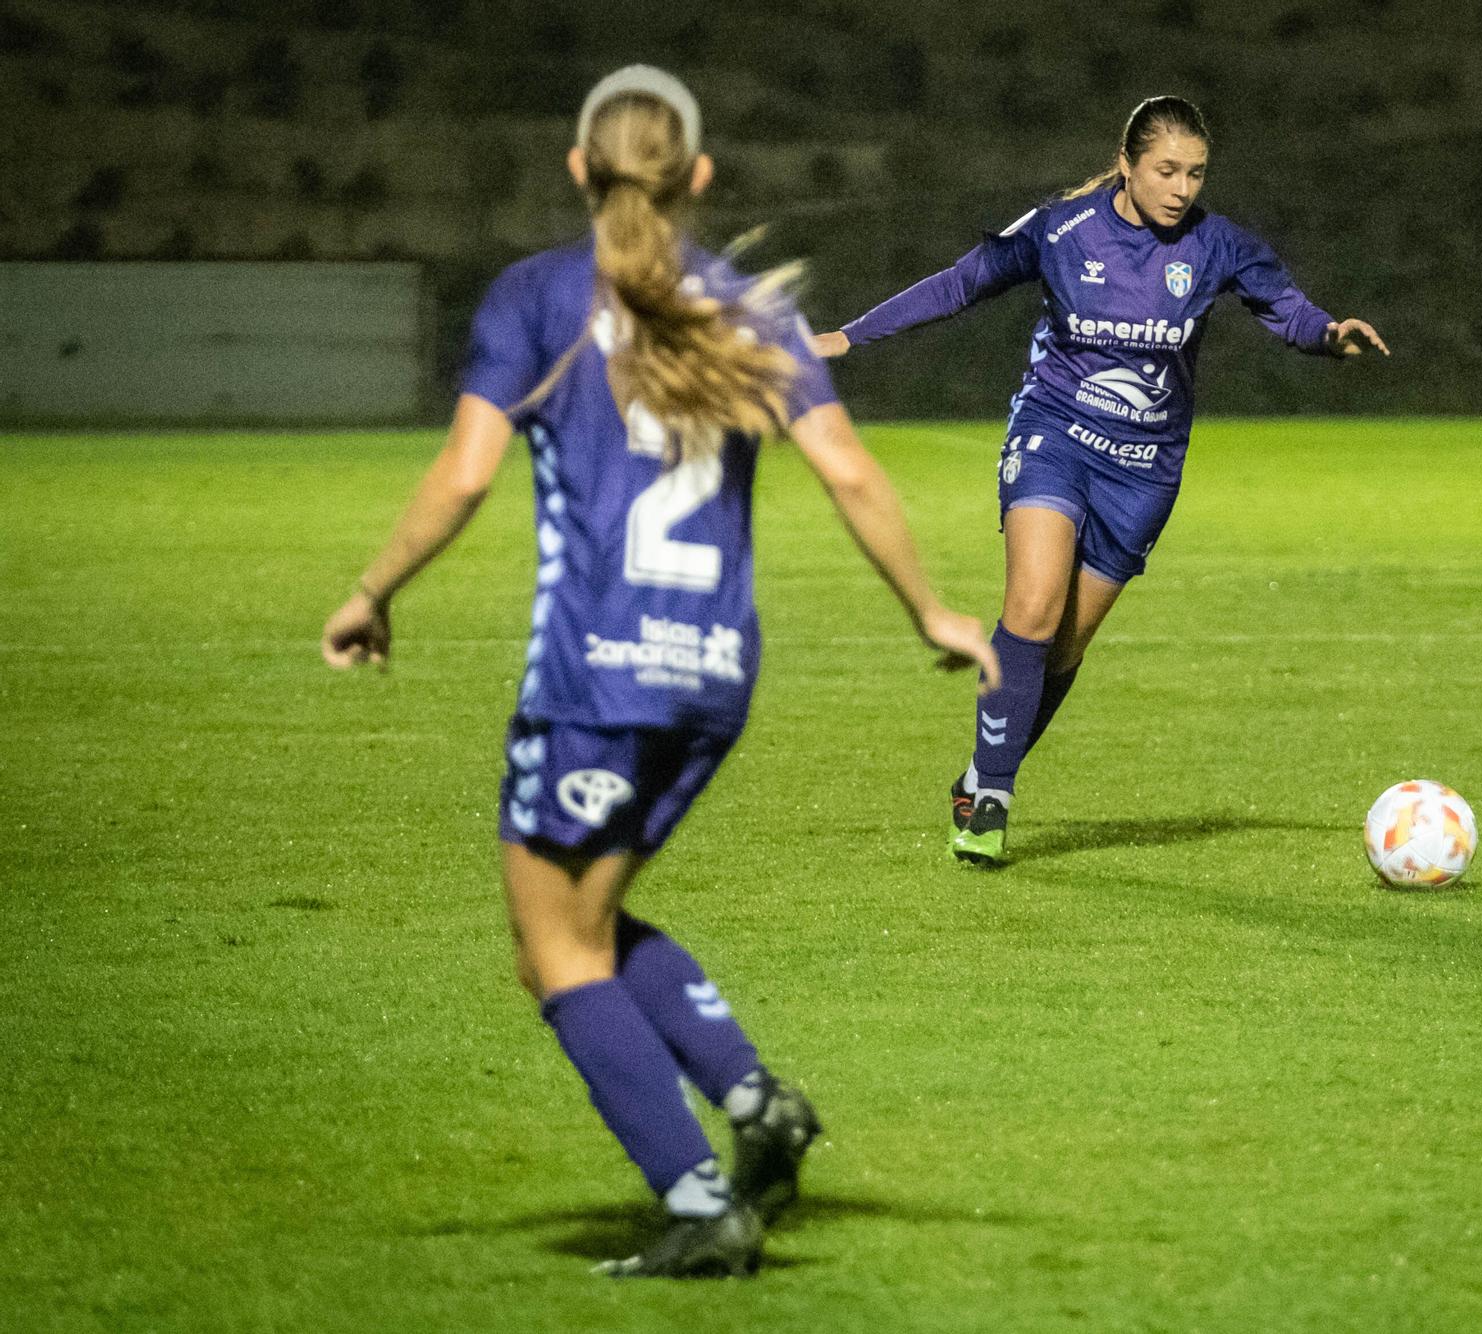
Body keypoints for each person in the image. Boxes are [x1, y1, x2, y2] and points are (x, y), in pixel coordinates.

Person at [320, 66, 997, 1279]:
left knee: (552, 951)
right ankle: (755, 1106)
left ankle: (697, 1203)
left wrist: (372, 592)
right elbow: (845, 469)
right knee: (585, 920)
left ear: (579, 169)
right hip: (714, 677)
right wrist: (933, 610)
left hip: (596, 681)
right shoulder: (747, 307)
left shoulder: (538, 296)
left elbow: (468, 474)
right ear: (697, 178)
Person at [813, 96, 1389, 866]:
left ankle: (984, 772)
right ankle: (990, 801)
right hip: (1053, 434)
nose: (1181, 188)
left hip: (1146, 470)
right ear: (1127, 164)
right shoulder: (1062, 229)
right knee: (1033, 602)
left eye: (1195, 173)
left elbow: (1285, 310)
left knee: (1064, 647)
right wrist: (852, 335)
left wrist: (1328, 334)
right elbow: (962, 282)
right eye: (1165, 170)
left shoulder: (1218, 246)